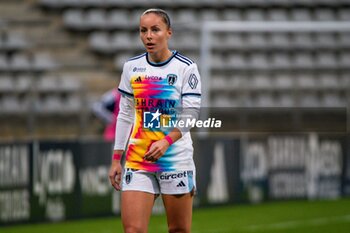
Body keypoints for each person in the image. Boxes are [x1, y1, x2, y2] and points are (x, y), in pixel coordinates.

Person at [109, 8, 201, 233]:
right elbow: (125, 114)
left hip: (174, 158)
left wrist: (166, 141)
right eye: (143, 30)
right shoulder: (132, 67)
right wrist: (116, 158)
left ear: (168, 33)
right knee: (133, 230)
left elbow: (191, 114)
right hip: (139, 159)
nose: (148, 36)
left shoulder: (185, 67)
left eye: (155, 30)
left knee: (178, 229)